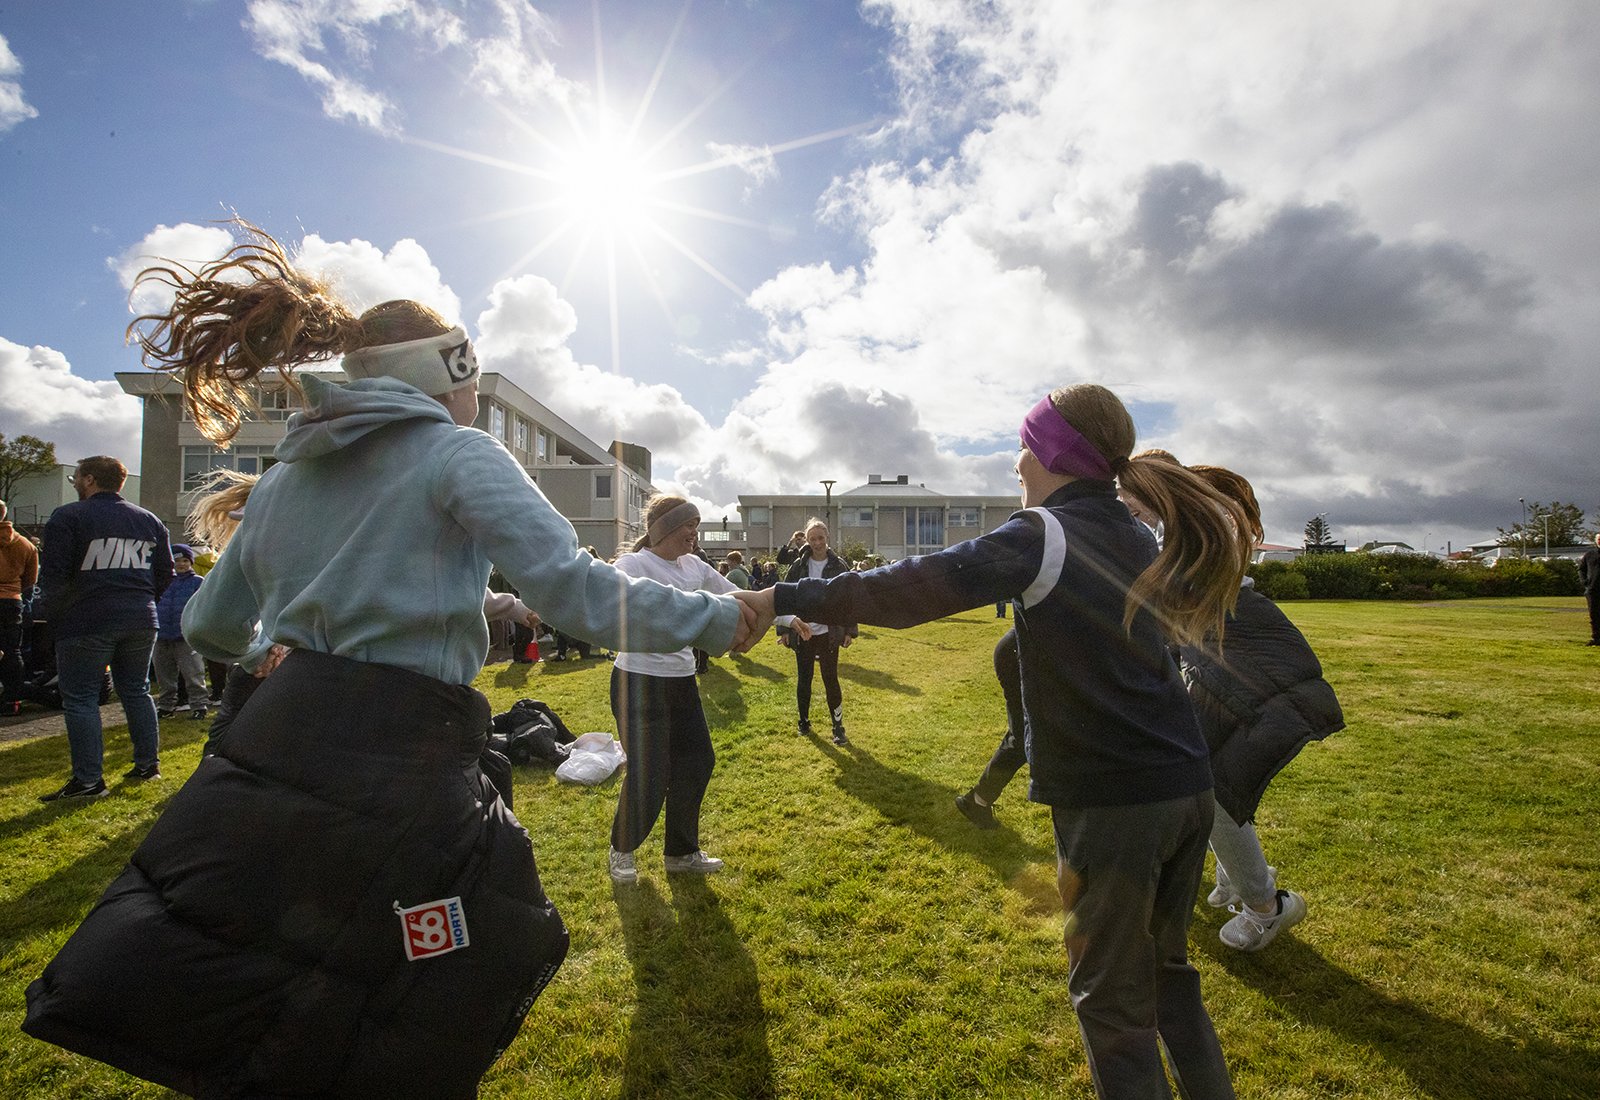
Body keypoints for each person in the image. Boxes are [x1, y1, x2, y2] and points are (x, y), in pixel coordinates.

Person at [22, 224, 763, 1100]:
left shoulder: (289, 478)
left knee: (295, 956)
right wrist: (722, 620)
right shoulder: (456, 453)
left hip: (281, 742)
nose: (479, 405)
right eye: (474, 386)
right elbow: (578, 595)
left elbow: (218, 626)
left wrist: (273, 656)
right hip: (405, 757)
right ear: (448, 375)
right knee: (439, 961)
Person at [739, 384, 1251, 1100]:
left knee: (1111, 1009)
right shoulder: (1131, 532)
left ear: (1050, 453)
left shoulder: (1046, 533)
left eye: (1023, 446)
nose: (1016, 463)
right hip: (1185, 786)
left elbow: (911, 588)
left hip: (1116, 802)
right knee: (1167, 980)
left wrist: (782, 597)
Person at [1172, 463, 1344, 953]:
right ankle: (1239, 876)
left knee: (1217, 795)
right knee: (1197, 780)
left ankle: (1267, 907)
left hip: (1250, 674)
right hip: (1220, 671)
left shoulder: (1201, 536)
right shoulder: (1185, 535)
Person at [605, 495, 770, 884]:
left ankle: (680, 852)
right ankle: (621, 849)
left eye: (697, 524)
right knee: (650, 771)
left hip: (681, 681)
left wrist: (789, 615)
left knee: (698, 760)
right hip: (638, 680)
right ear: (662, 529)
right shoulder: (634, 564)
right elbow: (607, 590)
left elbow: (738, 595)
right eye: (688, 525)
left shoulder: (694, 566)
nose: (695, 533)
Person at [35, 455, 171, 799]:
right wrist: (141, 598)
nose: (75, 484)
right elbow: (164, 573)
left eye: (76, 478)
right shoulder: (150, 520)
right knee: (137, 691)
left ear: (90, 480)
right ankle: (147, 766)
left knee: (80, 698)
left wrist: (57, 616)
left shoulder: (69, 516)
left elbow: (53, 576)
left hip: (87, 619)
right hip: (141, 618)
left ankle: (89, 781)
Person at [778, 518, 858, 746]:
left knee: (830, 679)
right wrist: (784, 628)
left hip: (829, 633)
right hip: (804, 632)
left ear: (827, 538)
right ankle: (804, 721)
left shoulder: (839, 565)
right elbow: (785, 597)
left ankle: (838, 727)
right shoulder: (798, 565)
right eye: (812, 539)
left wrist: (849, 631)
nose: (816, 543)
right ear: (807, 540)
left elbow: (849, 599)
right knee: (804, 679)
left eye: (820, 538)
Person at [953, 628, 1026, 829]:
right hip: (1018, 656)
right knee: (1024, 737)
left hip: (1024, 653)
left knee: (1028, 736)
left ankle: (978, 800)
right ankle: (977, 801)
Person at [152, 543, 210, 723]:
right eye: (177, 560)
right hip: (162, 635)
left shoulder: (198, 582)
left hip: (185, 636)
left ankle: (199, 706)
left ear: (191, 562)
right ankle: (166, 707)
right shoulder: (161, 581)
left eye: (185, 560)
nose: (181, 564)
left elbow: (203, 607)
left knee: (193, 674)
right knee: (164, 676)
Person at [0, 498, 39, 716]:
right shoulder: (26, 544)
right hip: (11, 601)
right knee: (12, 650)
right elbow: (30, 579)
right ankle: (13, 701)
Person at [1582, 533, 1600, 646]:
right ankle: (1596, 638)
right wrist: (1585, 582)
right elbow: (1581, 568)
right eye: (1599, 539)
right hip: (1593, 590)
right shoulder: (1590, 554)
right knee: (1594, 615)